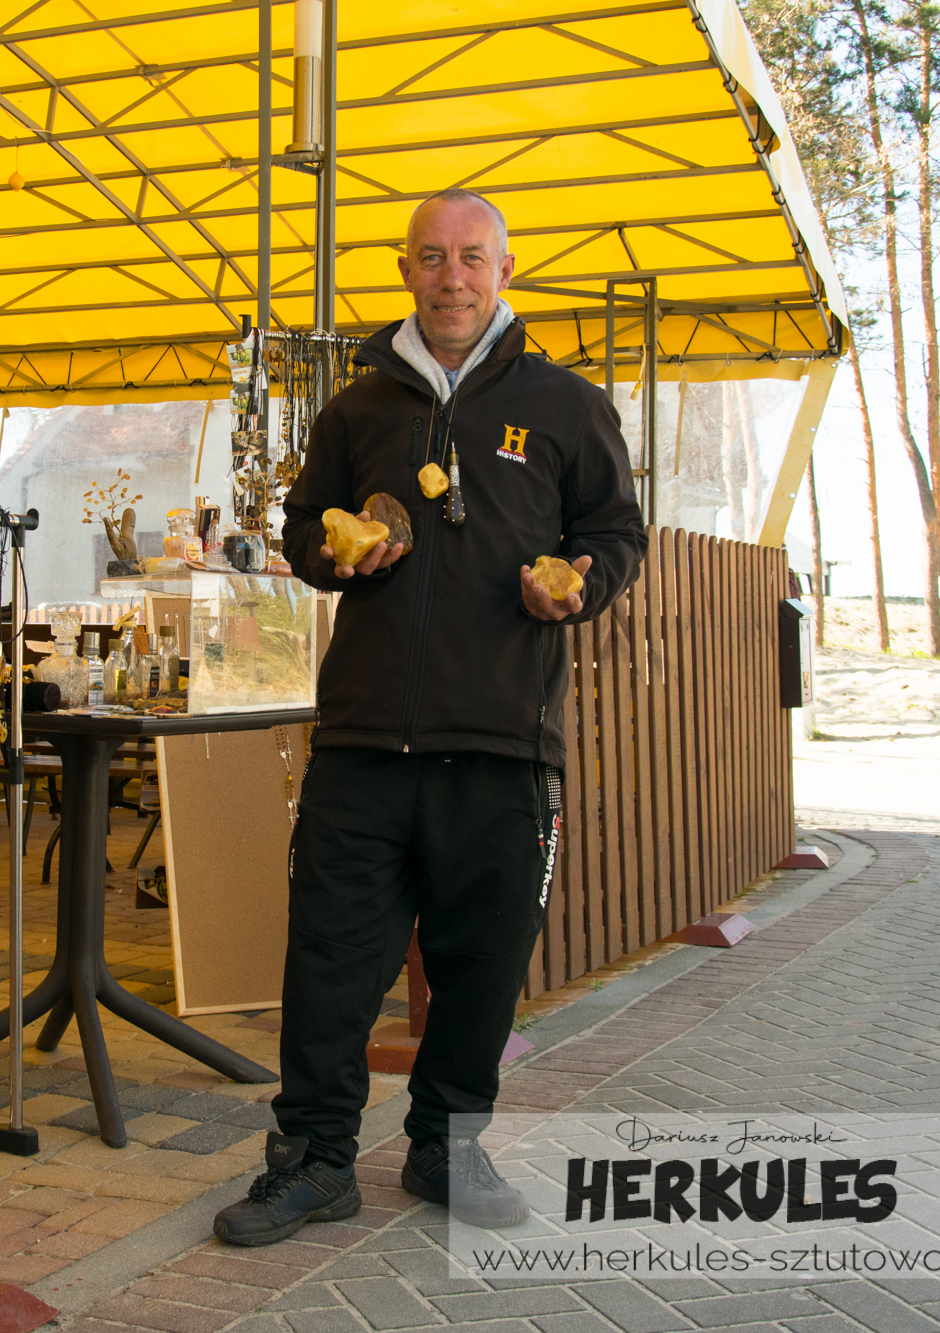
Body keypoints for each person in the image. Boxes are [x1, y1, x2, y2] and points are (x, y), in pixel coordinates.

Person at [214, 187, 647, 1246]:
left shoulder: (566, 404)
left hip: (502, 744)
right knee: (329, 963)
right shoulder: (357, 410)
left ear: (503, 269)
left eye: (470, 257)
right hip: (364, 740)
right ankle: (313, 1161)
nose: (451, 278)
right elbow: (301, 527)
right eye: (431, 257)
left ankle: (444, 1146)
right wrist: (337, 551)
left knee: (481, 968)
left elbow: (615, 534)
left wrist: (577, 585)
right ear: (406, 268)